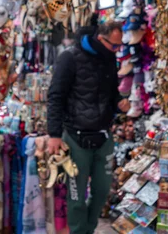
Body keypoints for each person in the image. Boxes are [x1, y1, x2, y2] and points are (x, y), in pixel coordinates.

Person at [47, 21, 130, 234]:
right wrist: (54, 134)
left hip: (103, 135)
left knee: (102, 191)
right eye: (114, 45)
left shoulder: (109, 58)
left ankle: (88, 229)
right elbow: (55, 97)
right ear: (100, 38)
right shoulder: (69, 57)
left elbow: (112, 93)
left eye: (120, 46)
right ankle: (78, 231)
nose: (117, 50)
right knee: (76, 196)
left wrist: (120, 103)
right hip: (75, 136)